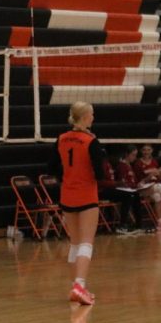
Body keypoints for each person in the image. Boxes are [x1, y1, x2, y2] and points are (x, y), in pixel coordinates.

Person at [47, 102, 106, 305]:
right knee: (86, 243)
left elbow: (52, 167)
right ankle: (79, 286)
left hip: (67, 195)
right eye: (92, 114)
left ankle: (76, 286)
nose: (94, 117)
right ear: (84, 117)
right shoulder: (91, 141)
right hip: (87, 196)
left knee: (74, 243)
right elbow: (100, 173)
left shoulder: (61, 139)